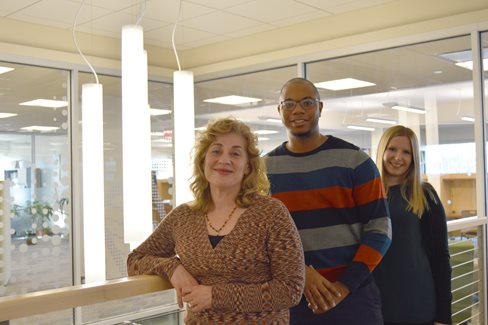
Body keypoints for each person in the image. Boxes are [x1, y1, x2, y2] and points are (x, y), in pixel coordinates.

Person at [127, 117, 305, 324]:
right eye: (216, 151)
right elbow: (135, 260)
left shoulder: (271, 213)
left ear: (248, 167)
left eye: (235, 153)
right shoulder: (183, 217)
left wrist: (216, 296)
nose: (224, 160)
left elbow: (290, 289)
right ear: (203, 161)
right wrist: (172, 268)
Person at [265, 77, 392, 324]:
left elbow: (380, 229)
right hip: (292, 300)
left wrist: (344, 286)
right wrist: (298, 272)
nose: (298, 110)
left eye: (307, 102)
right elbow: (259, 238)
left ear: (320, 108)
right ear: (279, 110)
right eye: (289, 103)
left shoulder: (355, 161)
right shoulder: (262, 171)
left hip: (354, 298)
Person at [374, 125, 452, 325]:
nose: (398, 157)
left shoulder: (424, 194)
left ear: (414, 158)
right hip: (375, 301)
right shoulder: (365, 193)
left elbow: (441, 256)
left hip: (417, 302)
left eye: (406, 152)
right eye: (392, 149)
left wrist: (444, 316)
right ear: (382, 149)